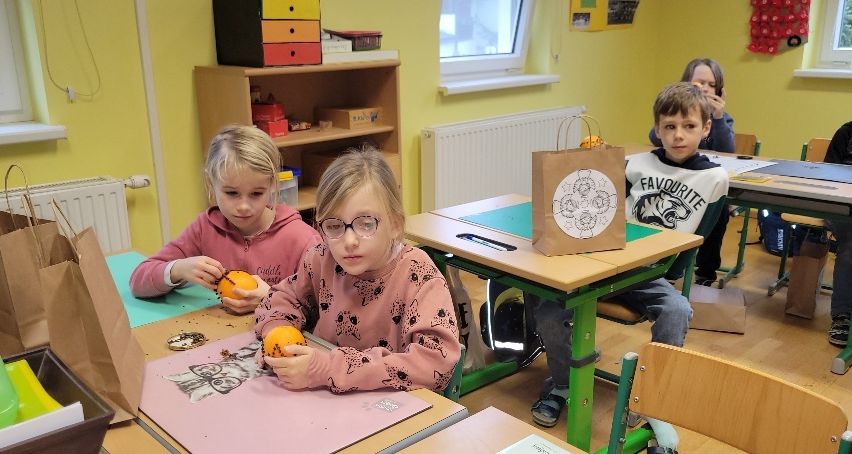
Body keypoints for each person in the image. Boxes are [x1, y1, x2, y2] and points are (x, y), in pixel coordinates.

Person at [529, 82, 729, 435]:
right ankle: (562, 383)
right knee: (545, 307)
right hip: (601, 266)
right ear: (657, 129)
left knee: (677, 309)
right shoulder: (636, 164)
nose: (678, 136)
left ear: (706, 128)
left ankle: (652, 399)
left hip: (649, 275)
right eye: (669, 127)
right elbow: (603, 209)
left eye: (689, 127)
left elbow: (699, 244)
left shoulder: (714, 177)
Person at [255, 147, 461, 393]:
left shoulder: (419, 275)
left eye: (365, 224)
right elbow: (282, 298)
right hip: (323, 402)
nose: (349, 241)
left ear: (395, 224)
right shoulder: (322, 258)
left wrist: (329, 369)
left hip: (390, 409)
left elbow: (435, 364)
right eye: (334, 225)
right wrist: (278, 334)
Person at [130, 125, 320, 314]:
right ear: (211, 182)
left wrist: (272, 298)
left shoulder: (301, 239)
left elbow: (328, 310)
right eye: (231, 193)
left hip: (279, 336)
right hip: (220, 335)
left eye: (256, 193)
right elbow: (138, 280)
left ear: (272, 184)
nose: (244, 206)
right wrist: (178, 269)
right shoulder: (205, 228)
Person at [650, 58, 735, 287]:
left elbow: (728, 150)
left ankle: (706, 270)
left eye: (711, 84)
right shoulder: (674, 111)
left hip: (705, 181)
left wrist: (717, 119)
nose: (706, 88)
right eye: (699, 83)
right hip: (674, 179)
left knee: (719, 213)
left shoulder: (720, 119)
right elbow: (653, 135)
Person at [797, 121, 852, 346]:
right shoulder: (847, 132)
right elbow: (830, 173)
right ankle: (843, 315)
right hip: (843, 208)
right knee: (850, 247)